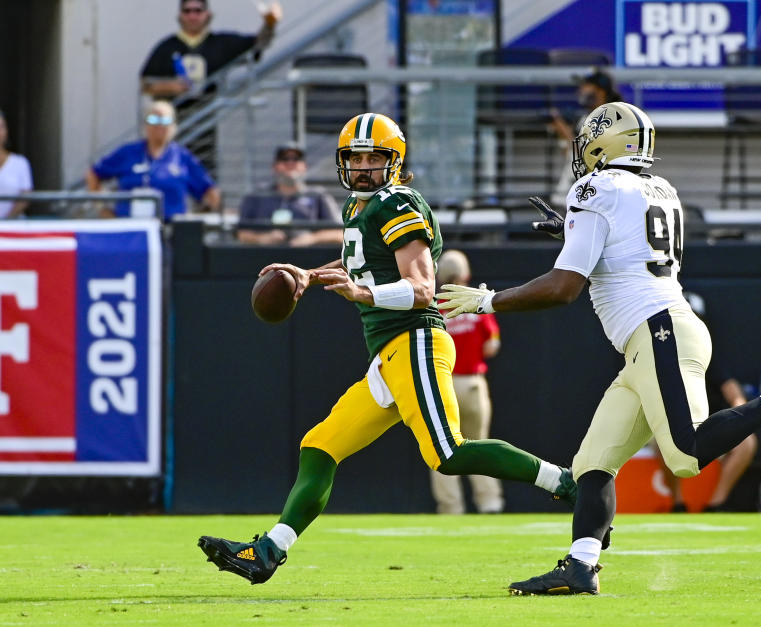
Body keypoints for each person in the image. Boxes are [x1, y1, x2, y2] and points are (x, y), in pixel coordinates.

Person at [438, 101, 761, 595]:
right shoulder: (661, 189)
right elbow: (630, 247)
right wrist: (573, 230)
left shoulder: (595, 188)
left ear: (604, 142)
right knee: (592, 465)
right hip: (653, 336)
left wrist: (488, 300)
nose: (582, 155)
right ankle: (581, 567)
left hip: (658, 330)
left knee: (686, 453)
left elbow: (563, 288)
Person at [197, 112, 577, 585]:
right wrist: (309, 275)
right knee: (320, 446)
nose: (363, 166)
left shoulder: (396, 203)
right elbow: (361, 259)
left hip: (414, 339)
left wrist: (363, 294)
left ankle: (566, 483)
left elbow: (421, 287)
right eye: (355, 157)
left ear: (394, 161)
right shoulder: (360, 208)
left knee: (448, 453)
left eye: (374, 156)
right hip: (390, 354)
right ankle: (269, 550)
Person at [140, 0, 283, 174]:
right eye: (187, 11)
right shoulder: (167, 47)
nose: (192, 16)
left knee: (204, 174)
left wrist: (270, 24)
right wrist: (171, 86)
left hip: (206, 123)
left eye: (198, 11)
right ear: (180, 15)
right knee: (168, 171)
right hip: (171, 125)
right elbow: (145, 84)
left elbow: (258, 45)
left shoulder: (220, 43)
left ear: (207, 14)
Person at [660, 291, 758, 513]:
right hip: (674, 428)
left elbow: (732, 391)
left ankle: (716, 504)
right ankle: (678, 503)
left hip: (710, 429)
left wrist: (740, 410)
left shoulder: (709, 358)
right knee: (659, 438)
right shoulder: (659, 359)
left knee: (747, 442)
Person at [429, 250, 504, 515]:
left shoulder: (433, 306)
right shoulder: (475, 304)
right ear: (465, 275)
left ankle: (451, 507)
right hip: (472, 382)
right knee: (479, 443)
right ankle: (489, 502)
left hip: (442, 385)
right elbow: (492, 345)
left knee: (442, 448)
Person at [86, 101, 220, 221]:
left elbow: (208, 190)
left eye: (165, 121)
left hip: (169, 229)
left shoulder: (181, 157)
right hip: (131, 227)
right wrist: (102, 208)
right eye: (153, 120)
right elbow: (94, 174)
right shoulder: (128, 152)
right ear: (145, 125)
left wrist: (214, 216)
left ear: (173, 126)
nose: (159, 125)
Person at [236, 142, 343, 246]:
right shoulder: (257, 195)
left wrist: (312, 238)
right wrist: (263, 238)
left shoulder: (319, 195)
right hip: (264, 258)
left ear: (304, 166)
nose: (290, 163)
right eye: (284, 159)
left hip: (309, 259)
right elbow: (241, 234)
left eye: (296, 159)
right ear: (274, 166)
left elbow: (340, 234)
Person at [549, 69, 624, 206]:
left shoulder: (611, 117)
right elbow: (572, 155)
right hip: (572, 196)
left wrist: (564, 132)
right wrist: (562, 133)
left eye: (585, 86)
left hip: (594, 199)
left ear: (600, 91)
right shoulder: (584, 118)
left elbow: (591, 157)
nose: (580, 91)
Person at [0, 110, 33, 219]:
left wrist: (6, 222)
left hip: (13, 228)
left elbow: (25, 197)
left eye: (1, 127)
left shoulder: (20, 163)